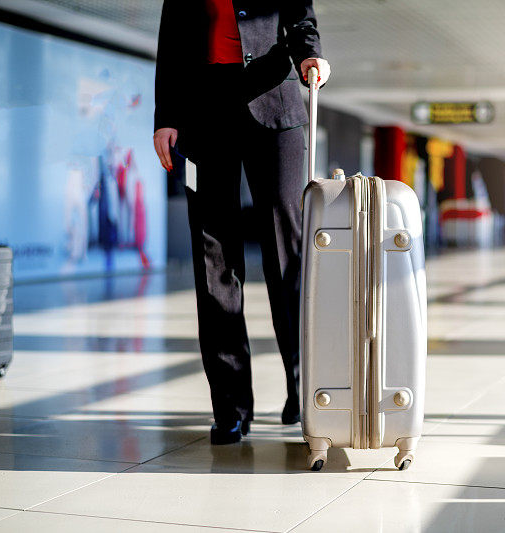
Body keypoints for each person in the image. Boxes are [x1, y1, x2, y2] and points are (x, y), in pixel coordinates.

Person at [152, 0, 331, 444]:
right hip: (204, 110)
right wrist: (166, 118)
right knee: (214, 262)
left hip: (274, 103)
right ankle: (230, 406)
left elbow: (300, 17)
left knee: (286, 253)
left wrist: (310, 53)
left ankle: (302, 385)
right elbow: (171, 44)